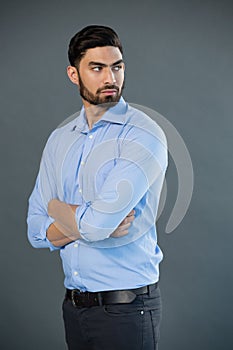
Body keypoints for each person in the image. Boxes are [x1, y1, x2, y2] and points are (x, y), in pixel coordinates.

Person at [27, 25, 168, 350]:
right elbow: (35, 230)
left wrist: (59, 211)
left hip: (126, 312)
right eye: (97, 68)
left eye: (117, 67)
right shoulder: (60, 140)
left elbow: (96, 223)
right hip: (74, 309)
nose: (110, 78)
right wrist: (90, 222)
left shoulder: (142, 135)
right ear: (73, 74)